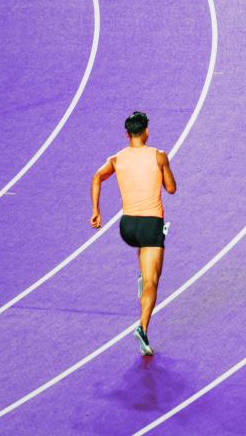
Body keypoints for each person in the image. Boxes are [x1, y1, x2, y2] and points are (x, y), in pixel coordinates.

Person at [90, 111, 176, 356]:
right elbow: (171, 189)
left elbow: (97, 177)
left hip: (127, 226)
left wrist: (96, 211)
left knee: (145, 250)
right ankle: (142, 327)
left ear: (127, 134)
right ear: (146, 131)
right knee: (152, 282)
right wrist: (162, 170)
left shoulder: (116, 159)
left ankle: (142, 271)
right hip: (150, 225)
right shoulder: (158, 156)